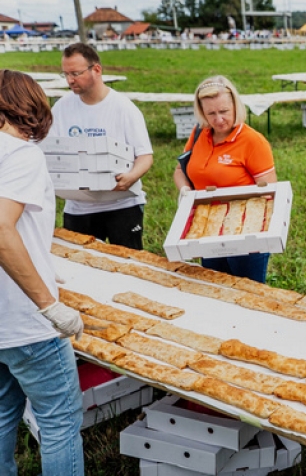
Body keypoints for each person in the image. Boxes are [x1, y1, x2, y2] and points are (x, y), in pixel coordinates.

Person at [0, 70, 85, 476]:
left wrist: (39, 260)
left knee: (3, 412)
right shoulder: (21, 154)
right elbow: (2, 229)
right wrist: (48, 304)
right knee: (60, 422)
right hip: (26, 323)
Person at [49, 43, 154, 250]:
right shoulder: (61, 108)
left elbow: (145, 156)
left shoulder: (124, 108)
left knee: (128, 262)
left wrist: (131, 176)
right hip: (79, 208)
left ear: (96, 70)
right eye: (65, 74)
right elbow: (52, 151)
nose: (70, 80)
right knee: (80, 264)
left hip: (122, 206)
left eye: (76, 73)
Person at [173, 75, 277, 283]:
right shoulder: (199, 133)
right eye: (211, 113)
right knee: (214, 286)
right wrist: (185, 190)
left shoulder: (253, 141)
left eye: (224, 111)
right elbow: (180, 170)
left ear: (236, 107)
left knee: (248, 289)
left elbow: (269, 193)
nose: (218, 119)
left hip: (243, 232)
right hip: (207, 228)